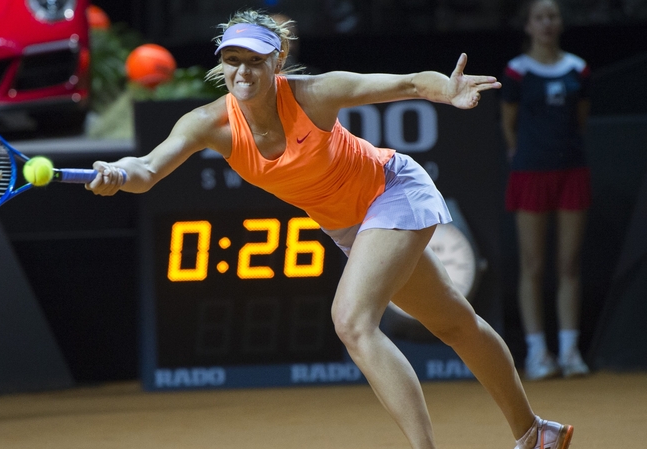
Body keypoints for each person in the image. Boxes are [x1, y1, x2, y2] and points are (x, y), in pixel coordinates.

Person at [87, 9, 573, 449]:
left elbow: (405, 84)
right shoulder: (207, 124)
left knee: (352, 321)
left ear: (277, 61)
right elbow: (147, 169)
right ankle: (536, 432)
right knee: (453, 323)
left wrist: (444, 89)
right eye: (232, 60)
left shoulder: (314, 94)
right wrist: (116, 173)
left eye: (254, 60)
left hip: (393, 191)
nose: (242, 71)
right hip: (351, 227)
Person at [500, 0, 591, 382]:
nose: (547, 23)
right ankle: (538, 354)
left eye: (552, 16)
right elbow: (509, 126)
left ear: (560, 22)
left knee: (568, 264)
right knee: (533, 265)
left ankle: (570, 351)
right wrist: (524, 157)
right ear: (528, 26)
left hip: (571, 172)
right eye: (539, 17)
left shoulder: (578, 68)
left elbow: (581, 120)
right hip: (530, 174)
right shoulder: (516, 73)